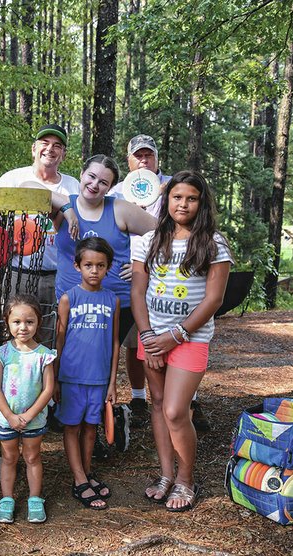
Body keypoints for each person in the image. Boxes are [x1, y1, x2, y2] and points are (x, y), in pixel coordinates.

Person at [130, 170, 232, 512]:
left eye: (191, 198)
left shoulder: (213, 243)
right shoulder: (148, 240)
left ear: (201, 203)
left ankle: (186, 478)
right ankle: (165, 474)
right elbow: (138, 290)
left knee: (175, 410)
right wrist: (148, 336)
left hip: (189, 338)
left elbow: (214, 299)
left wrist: (176, 335)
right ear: (167, 200)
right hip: (152, 337)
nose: (183, 204)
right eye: (177, 197)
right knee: (157, 404)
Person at [54, 154, 156, 457]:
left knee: (100, 363)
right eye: (91, 176)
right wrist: (69, 211)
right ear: (81, 174)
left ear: (112, 187)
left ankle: (100, 426)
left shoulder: (120, 209)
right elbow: (41, 192)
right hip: (71, 303)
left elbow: (164, 234)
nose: (95, 185)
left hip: (116, 303)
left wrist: (143, 264)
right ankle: (76, 418)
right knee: (72, 360)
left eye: (104, 182)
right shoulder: (64, 204)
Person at [108, 134, 175, 429]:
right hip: (131, 277)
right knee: (136, 341)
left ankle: (184, 400)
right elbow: (109, 230)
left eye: (149, 155)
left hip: (170, 276)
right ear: (129, 160)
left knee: (176, 339)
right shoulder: (118, 191)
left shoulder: (174, 186)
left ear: (157, 158)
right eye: (138, 155)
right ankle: (138, 399)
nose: (144, 160)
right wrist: (118, 262)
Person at [55, 237, 120, 510]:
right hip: (70, 377)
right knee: (72, 427)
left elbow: (115, 342)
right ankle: (79, 479)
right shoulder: (69, 298)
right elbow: (58, 341)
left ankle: (87, 471)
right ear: (77, 265)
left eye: (100, 265)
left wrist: (113, 381)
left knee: (91, 429)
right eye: (89, 265)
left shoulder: (113, 300)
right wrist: (55, 378)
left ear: (108, 268)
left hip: (99, 379)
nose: (94, 270)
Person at [0, 123, 80, 311]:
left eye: (57, 145)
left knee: (54, 334)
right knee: (17, 332)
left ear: (64, 154)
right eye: (45, 142)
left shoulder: (73, 186)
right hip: (19, 273)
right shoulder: (11, 180)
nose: (50, 148)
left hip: (57, 275)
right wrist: (4, 244)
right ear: (34, 149)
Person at [0, 294, 56, 524]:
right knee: (9, 457)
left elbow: (48, 390)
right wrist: (10, 416)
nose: (23, 327)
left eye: (29, 321)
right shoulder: (3, 352)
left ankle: (35, 499)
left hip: (34, 420)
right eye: (17, 322)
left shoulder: (44, 355)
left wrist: (28, 415)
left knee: (32, 456)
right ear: (7, 321)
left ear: (38, 322)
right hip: (6, 419)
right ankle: (7, 499)